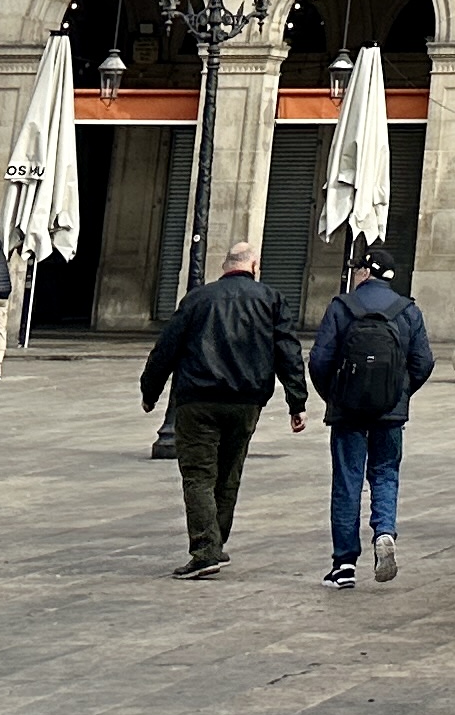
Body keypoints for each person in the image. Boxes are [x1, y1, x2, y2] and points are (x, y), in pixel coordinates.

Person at [139, 239, 307, 580]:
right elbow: (288, 352)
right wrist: (297, 402)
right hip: (246, 400)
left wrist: (150, 391)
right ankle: (215, 544)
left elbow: (166, 347)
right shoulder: (271, 300)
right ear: (254, 266)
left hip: (198, 400)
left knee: (199, 475)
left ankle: (206, 550)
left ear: (224, 266)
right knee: (229, 474)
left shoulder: (198, 298)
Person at [307, 247, 437, 591]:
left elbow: (319, 360)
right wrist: (399, 393)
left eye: (356, 268)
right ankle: (384, 532)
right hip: (389, 411)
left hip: (347, 411)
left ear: (365, 271)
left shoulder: (341, 307)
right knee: (385, 472)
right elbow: (424, 362)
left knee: (347, 480)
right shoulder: (408, 310)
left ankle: (344, 565)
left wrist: (334, 395)